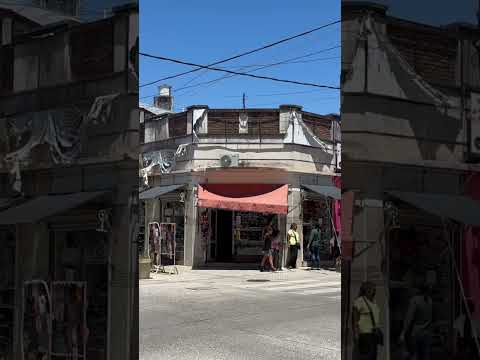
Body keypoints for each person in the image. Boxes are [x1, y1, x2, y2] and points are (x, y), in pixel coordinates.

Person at [399, 284, 433, 360]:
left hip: (416, 333)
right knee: (425, 356)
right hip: (427, 333)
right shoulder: (430, 301)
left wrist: (403, 332)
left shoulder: (414, 300)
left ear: (418, 290)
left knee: (414, 355)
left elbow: (409, 318)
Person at [352, 281, 382, 360]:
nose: (374, 290)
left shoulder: (373, 302)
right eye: (372, 288)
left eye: (374, 289)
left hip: (373, 335)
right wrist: (356, 335)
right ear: (366, 289)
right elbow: (354, 319)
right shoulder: (360, 301)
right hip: (364, 334)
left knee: (372, 357)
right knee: (365, 357)